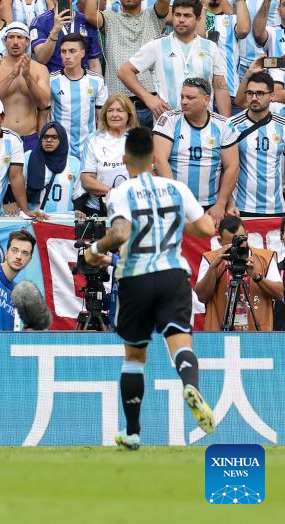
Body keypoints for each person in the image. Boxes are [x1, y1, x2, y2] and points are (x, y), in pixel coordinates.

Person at [83, 127, 217, 450]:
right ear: (155, 158)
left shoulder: (121, 192)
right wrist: (172, 223)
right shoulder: (175, 188)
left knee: (134, 356)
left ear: (125, 158)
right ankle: (191, 384)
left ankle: (132, 432)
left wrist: (94, 250)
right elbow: (206, 227)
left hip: (136, 276)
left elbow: (120, 233)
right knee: (180, 342)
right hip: (173, 274)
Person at [82, 0, 171, 128]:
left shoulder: (153, 15)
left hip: (151, 101)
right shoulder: (109, 18)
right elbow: (89, 15)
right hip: (119, 103)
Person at [118, 0, 231, 118]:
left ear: (198, 19)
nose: (181, 20)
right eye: (177, 15)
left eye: (187, 15)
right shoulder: (157, 45)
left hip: (203, 123)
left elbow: (220, 87)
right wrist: (148, 97)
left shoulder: (210, 47)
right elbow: (124, 71)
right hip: (167, 123)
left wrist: (225, 123)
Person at [153, 78, 239, 227]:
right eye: (182, 97)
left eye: (190, 98)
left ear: (206, 100)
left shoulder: (223, 125)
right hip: (175, 203)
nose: (184, 102)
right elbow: (160, 159)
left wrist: (221, 204)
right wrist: (175, 200)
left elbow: (232, 166)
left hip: (210, 206)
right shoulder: (169, 120)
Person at [195, 215, 284, 332]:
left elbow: (279, 294)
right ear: (220, 241)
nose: (238, 246)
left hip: (257, 335)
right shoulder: (211, 259)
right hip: (220, 336)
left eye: (240, 240)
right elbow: (201, 296)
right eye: (231, 243)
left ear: (247, 235)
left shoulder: (266, 258)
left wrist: (258, 277)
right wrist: (212, 269)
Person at [0, 20, 51, 150]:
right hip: (2, 137)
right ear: (5, 41)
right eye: (11, 37)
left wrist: (27, 77)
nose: (15, 42)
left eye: (20, 37)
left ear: (27, 41)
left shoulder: (40, 69)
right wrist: (11, 76)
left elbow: (44, 103)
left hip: (30, 136)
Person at [229, 71, 285, 217]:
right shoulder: (231, 125)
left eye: (260, 93)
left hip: (276, 208)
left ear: (271, 95)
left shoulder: (282, 125)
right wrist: (228, 204)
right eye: (250, 93)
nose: (254, 98)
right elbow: (223, 168)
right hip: (241, 207)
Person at [47, 33, 107, 158]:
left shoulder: (97, 81)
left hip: (88, 150)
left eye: (72, 51)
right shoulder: (51, 81)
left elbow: (101, 119)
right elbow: (44, 116)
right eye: (63, 51)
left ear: (82, 53)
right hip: (59, 151)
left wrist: (100, 145)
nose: (67, 56)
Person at [78, 93, 136, 215]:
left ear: (129, 114)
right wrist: (113, 193)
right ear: (105, 114)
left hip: (131, 206)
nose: (114, 114)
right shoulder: (93, 139)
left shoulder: (138, 138)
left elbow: (147, 174)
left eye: (120, 110)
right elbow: (86, 179)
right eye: (110, 110)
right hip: (99, 209)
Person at [25, 122, 80, 215]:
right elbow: (19, 187)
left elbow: (78, 194)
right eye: (45, 137)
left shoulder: (74, 163)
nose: (49, 140)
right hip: (35, 218)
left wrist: (78, 211)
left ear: (62, 139)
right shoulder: (29, 157)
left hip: (64, 219)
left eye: (54, 137)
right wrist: (26, 211)